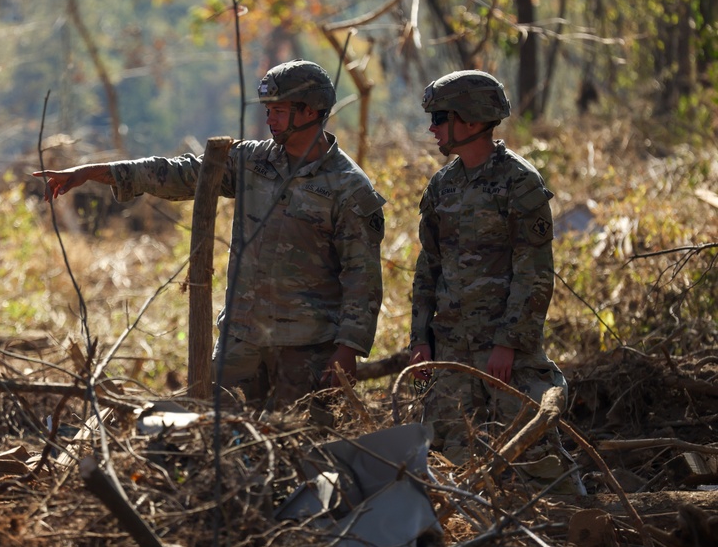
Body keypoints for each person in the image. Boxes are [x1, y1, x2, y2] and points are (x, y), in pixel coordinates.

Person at [34, 59, 386, 411]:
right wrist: (96, 172)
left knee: (301, 445)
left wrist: (347, 349)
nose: (270, 119)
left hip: (306, 349)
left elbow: (362, 277)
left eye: (279, 110)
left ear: (310, 110)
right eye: (268, 110)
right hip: (240, 342)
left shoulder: (349, 188)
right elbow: (180, 173)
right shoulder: (250, 161)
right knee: (217, 436)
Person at [407, 69, 582, 494]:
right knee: (450, 454)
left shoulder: (520, 183)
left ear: (469, 119)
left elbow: (534, 270)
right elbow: (429, 266)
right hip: (451, 349)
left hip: (505, 352)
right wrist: (420, 338)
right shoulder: (442, 186)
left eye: (439, 117)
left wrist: (509, 341)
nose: (432, 128)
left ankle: (576, 523)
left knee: (531, 451)